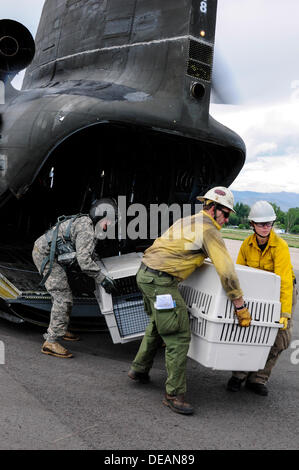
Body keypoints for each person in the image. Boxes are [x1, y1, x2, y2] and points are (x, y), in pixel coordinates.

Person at [128, 186, 251, 415]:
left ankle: (139, 369)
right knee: (178, 334)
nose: (226, 219)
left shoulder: (188, 221)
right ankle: (174, 394)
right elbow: (226, 272)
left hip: (144, 276)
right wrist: (240, 306)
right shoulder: (209, 230)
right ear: (212, 208)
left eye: (229, 215)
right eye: (225, 213)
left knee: (158, 322)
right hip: (160, 283)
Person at [32, 198, 118, 358]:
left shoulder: (90, 224)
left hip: (53, 255)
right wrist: (102, 278)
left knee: (64, 294)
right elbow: (84, 261)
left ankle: (60, 328)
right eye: (109, 221)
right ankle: (51, 341)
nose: (111, 225)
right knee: (63, 297)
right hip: (45, 256)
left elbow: (88, 252)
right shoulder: (87, 230)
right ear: (101, 217)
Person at [227, 201, 297, 396]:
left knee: (280, 338)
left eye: (269, 223)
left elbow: (284, 281)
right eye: (261, 224)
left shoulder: (280, 246)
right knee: (248, 332)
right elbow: (241, 273)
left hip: (282, 293)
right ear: (252, 224)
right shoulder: (246, 245)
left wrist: (284, 313)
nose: (266, 227)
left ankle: (258, 378)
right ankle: (239, 375)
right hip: (256, 292)